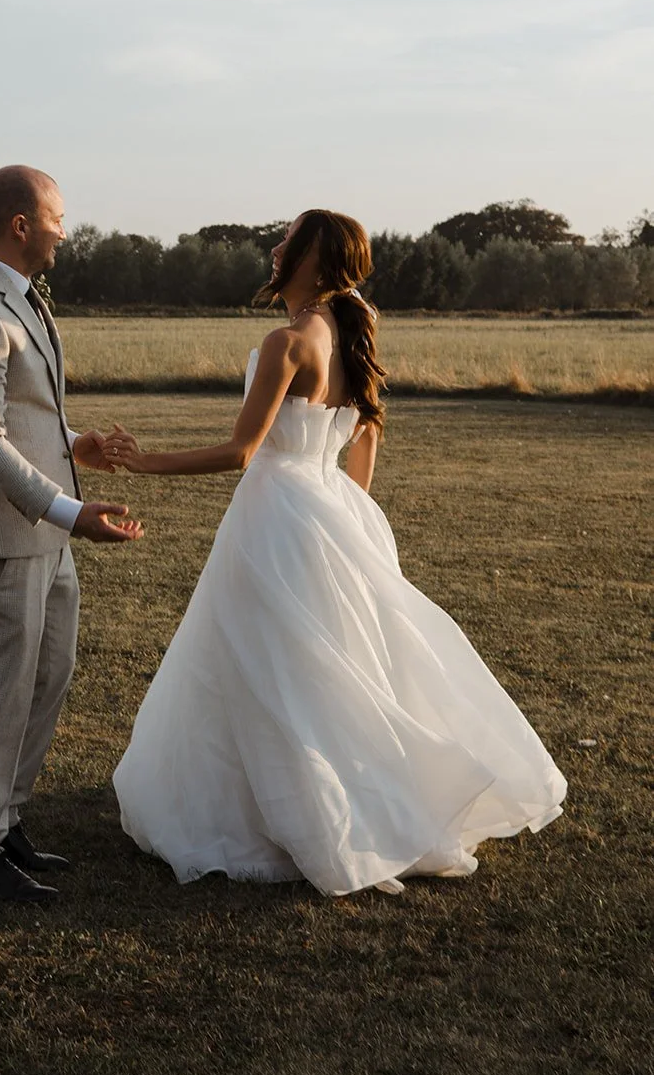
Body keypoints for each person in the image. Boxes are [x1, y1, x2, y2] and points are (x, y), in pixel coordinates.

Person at [107, 210, 566, 896]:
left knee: (271, 666)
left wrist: (141, 465)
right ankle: (351, 795)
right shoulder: (355, 328)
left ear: (313, 261)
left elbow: (240, 452)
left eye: (285, 242)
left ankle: (298, 815)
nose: (272, 249)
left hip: (275, 517)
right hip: (330, 509)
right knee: (326, 665)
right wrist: (344, 517)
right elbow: (366, 438)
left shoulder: (288, 342)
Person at [0, 165, 142, 905]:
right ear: (21, 224)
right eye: (56, 217)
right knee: (1, 688)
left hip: (46, 532)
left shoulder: (22, 298)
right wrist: (72, 511)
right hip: (0, 534)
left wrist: (76, 443)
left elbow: (24, 416)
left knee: (49, 676)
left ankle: (6, 822)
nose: (63, 230)